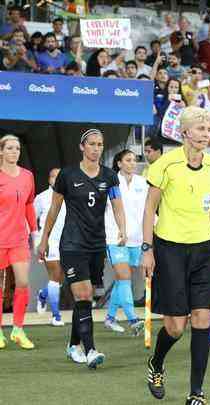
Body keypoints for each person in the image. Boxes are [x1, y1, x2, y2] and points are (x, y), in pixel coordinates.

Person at [142, 107, 210, 405]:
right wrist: (147, 249)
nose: (206, 134)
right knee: (176, 327)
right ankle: (156, 363)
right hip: (170, 251)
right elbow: (150, 208)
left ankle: (196, 393)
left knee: (202, 319)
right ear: (185, 132)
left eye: (209, 128)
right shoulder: (165, 164)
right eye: (201, 129)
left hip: (204, 251)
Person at [38, 129, 127, 368]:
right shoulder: (67, 175)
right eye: (92, 144)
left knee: (84, 299)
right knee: (84, 294)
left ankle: (72, 346)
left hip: (97, 244)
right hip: (72, 244)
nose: (97, 148)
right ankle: (90, 350)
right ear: (82, 147)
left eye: (100, 144)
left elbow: (117, 205)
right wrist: (44, 239)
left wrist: (122, 229)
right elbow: (54, 210)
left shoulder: (110, 176)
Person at [103, 150, 147, 335]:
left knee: (123, 280)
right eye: (128, 160)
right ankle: (133, 318)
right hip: (115, 237)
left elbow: (148, 210)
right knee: (124, 276)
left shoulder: (142, 182)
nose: (132, 163)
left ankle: (110, 317)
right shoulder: (111, 182)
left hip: (137, 239)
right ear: (119, 163)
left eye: (134, 160)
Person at [0, 135, 37, 350]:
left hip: (19, 239)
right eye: (10, 148)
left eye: (17, 148)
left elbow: (29, 205)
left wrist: (35, 232)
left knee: (22, 283)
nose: (15, 152)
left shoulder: (27, 176)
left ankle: (18, 329)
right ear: (1, 152)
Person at [34, 168, 66, 327]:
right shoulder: (42, 198)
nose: (57, 179)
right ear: (49, 179)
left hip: (67, 242)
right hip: (49, 242)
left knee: (60, 278)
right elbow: (32, 219)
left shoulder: (70, 195)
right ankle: (56, 316)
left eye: (60, 176)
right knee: (55, 276)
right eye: (54, 176)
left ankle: (43, 295)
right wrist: (37, 241)